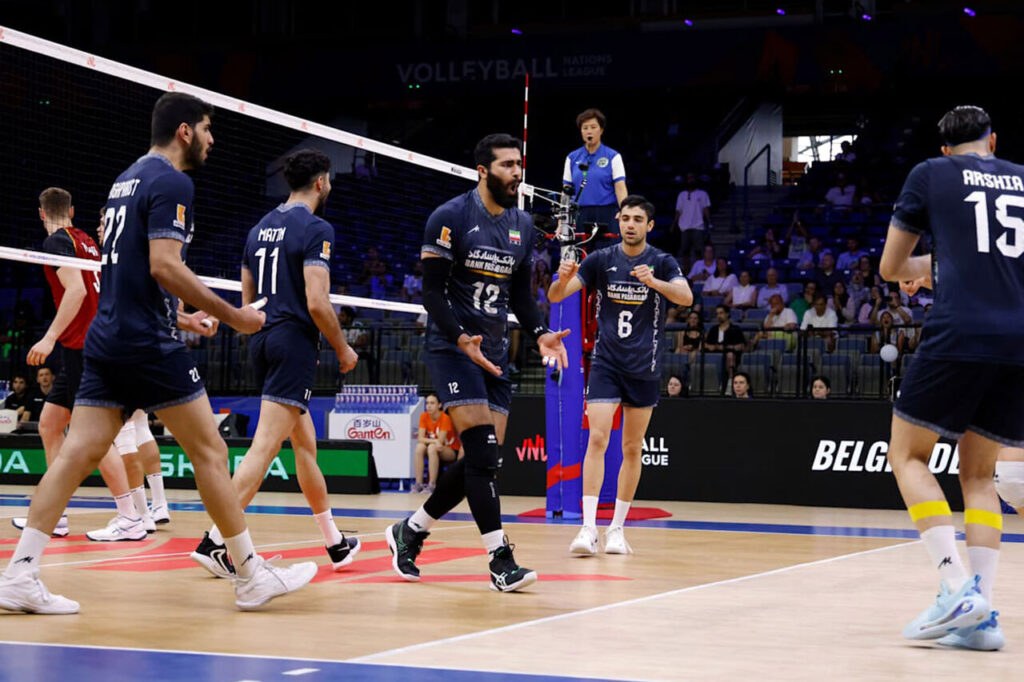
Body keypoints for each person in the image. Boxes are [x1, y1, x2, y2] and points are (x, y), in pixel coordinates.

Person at [0, 92, 316, 615]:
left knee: (76, 454)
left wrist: (184, 318)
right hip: (146, 344)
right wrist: (236, 317)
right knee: (210, 452)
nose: (212, 140)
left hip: (107, 338)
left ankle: (19, 573)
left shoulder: (124, 180)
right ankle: (250, 575)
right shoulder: (173, 181)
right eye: (208, 129)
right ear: (185, 131)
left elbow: (133, 271)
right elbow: (164, 265)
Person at [386, 133, 570, 592]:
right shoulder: (449, 217)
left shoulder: (522, 224)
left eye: (519, 164)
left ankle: (410, 531)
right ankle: (500, 560)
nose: (517, 172)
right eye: (507, 165)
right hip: (453, 349)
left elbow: (522, 297)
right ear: (483, 171)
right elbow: (431, 293)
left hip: (494, 353)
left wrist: (541, 332)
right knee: (484, 456)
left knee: (480, 462)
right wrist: (459, 337)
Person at [878, 104, 1021, 650]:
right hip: (1018, 338)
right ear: (993, 141)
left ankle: (955, 586)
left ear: (944, 149)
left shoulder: (931, 174)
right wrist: (939, 269)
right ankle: (981, 617)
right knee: (979, 476)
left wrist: (920, 270)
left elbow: (892, 267)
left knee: (908, 456)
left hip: (961, 331)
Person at [190, 149, 361, 579]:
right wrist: (343, 348)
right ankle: (215, 541)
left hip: (262, 337)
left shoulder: (258, 227)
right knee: (265, 447)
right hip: (292, 340)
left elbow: (248, 298)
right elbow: (317, 302)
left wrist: (257, 329)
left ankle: (335, 543)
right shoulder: (317, 227)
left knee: (304, 446)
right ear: (321, 182)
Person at [549, 194, 691, 556]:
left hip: (644, 366)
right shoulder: (601, 259)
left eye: (637, 219)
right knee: (597, 438)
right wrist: (561, 280)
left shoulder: (662, 261)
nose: (630, 224)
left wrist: (655, 283)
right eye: (626, 218)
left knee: (631, 447)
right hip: (606, 363)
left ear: (649, 225)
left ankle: (616, 530)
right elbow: (556, 296)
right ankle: (587, 529)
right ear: (618, 220)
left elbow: (686, 297)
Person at [12, 188, 147, 542]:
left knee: (92, 437)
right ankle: (54, 515)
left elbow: (77, 291)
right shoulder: (86, 240)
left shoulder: (56, 241)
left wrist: (48, 338)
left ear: (41, 213)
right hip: (85, 345)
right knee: (49, 424)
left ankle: (130, 517)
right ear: (72, 211)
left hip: (86, 348)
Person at [563, 108, 628, 238]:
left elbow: (620, 188)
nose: (589, 131)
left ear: (601, 130)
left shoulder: (613, 156)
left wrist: (625, 212)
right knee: (580, 250)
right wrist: (562, 220)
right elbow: (566, 190)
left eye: (593, 127)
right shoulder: (572, 158)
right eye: (585, 128)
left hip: (606, 214)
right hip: (580, 215)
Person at [412, 393, 461, 494]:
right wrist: (434, 441)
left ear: (439, 405)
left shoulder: (445, 417)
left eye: (432, 403)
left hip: (450, 450)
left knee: (432, 448)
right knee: (420, 447)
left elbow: (440, 442)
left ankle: (432, 484)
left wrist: (434, 442)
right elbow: (420, 438)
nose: (429, 406)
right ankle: (418, 484)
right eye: (427, 403)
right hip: (434, 446)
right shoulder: (424, 416)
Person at [672, 172, 711, 268]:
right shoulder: (681, 195)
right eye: (689, 178)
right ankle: (687, 272)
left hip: (698, 226)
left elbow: (705, 209)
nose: (691, 180)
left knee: (698, 252)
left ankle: (698, 271)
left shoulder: (702, 194)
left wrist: (709, 221)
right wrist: (674, 224)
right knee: (685, 252)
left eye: (692, 178)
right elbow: (678, 211)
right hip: (684, 227)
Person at [704, 304, 747, 388]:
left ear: (727, 314)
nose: (719, 316)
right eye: (717, 314)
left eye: (721, 313)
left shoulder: (735, 329)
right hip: (715, 354)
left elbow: (741, 346)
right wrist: (711, 347)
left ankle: (730, 382)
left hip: (730, 354)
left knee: (730, 356)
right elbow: (707, 344)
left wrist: (725, 347)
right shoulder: (713, 329)